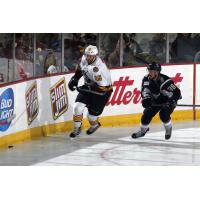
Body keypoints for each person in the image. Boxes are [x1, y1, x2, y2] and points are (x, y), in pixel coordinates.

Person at [68, 45, 113, 138]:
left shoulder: (98, 69)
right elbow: (81, 68)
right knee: (77, 107)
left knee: (91, 116)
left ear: (95, 56)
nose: (88, 57)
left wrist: (85, 89)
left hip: (103, 91)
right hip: (89, 87)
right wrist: (75, 79)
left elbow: (102, 88)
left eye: (90, 56)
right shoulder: (84, 59)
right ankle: (77, 129)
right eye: (87, 55)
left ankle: (95, 125)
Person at [131, 62, 182, 140]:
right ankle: (143, 131)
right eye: (149, 70)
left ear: (157, 72)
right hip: (156, 101)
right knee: (146, 114)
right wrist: (146, 99)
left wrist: (172, 101)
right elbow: (144, 91)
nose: (149, 73)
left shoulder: (166, 81)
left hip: (168, 100)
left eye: (151, 71)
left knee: (163, 114)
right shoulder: (146, 79)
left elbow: (177, 93)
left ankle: (168, 129)